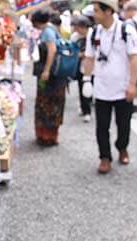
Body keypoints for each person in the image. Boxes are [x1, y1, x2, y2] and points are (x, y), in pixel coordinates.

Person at [83, 0, 137, 174]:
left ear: (109, 11)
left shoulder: (127, 31)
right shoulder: (93, 32)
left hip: (122, 86)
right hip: (101, 86)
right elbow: (89, 58)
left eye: (98, 10)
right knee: (102, 125)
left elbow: (134, 59)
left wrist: (132, 84)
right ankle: (104, 157)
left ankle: (122, 147)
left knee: (124, 123)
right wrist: (86, 79)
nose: (95, 14)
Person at [32, 9, 67, 146]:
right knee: (55, 104)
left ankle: (46, 135)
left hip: (51, 75)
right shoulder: (53, 28)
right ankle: (51, 135)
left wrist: (46, 71)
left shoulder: (47, 32)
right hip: (57, 75)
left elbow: (52, 50)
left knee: (46, 104)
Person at [71, 15, 93, 123]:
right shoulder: (75, 37)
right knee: (81, 87)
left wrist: (85, 54)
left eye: (78, 27)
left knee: (89, 87)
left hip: (93, 66)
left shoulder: (93, 34)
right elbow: (72, 49)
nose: (76, 30)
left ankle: (87, 109)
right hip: (80, 66)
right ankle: (85, 109)